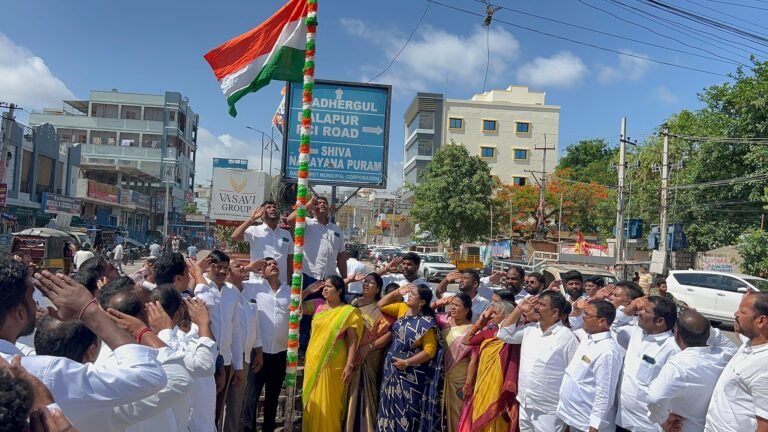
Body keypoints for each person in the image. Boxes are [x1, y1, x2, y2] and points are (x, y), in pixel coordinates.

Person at [1, 259, 167, 429]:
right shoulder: (42, 372)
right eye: (32, 300)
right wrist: (89, 311)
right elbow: (149, 375)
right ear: (20, 314)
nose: (36, 306)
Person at [497, 291, 579, 432]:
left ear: (554, 312)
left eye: (542, 305)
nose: (536, 307)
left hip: (549, 409)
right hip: (526, 403)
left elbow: (574, 375)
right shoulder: (530, 330)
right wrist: (519, 309)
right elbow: (503, 334)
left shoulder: (567, 337)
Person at [647, 309, 732, 432]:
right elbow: (724, 341)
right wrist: (702, 325)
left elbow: (654, 398)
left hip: (681, 427)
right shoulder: (725, 355)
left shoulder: (679, 364)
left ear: (676, 335)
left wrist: (662, 419)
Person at [377, 284, 444, 431]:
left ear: (422, 302)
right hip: (391, 368)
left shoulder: (427, 323)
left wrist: (407, 362)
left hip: (409, 373)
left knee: (406, 412)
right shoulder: (402, 309)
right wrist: (397, 292)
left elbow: (429, 351)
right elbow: (381, 304)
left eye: (413, 294)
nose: (409, 296)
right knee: (386, 408)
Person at [301, 275, 363, 432]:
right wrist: (307, 291)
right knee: (312, 402)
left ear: (340, 290)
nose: (325, 288)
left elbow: (353, 341)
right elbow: (292, 306)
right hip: (313, 360)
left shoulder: (348, 312)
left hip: (334, 364)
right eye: (325, 286)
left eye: (329, 286)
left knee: (330, 404)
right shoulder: (318, 305)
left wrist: (349, 365)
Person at [556, 300, 624, 432]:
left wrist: (595, 425)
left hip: (588, 424)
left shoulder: (607, 352)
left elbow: (605, 392)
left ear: (602, 321)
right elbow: (570, 325)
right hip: (575, 417)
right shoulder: (587, 336)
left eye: (587, 315)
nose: (583, 318)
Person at [458, 290, 520, 432]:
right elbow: (466, 341)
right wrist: (480, 322)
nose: (491, 315)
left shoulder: (516, 335)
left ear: (507, 315)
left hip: (500, 385)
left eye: (495, 313)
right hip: (483, 384)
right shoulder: (489, 332)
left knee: (497, 415)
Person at [705, 292, 768, 432]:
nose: (736, 313)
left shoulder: (764, 365)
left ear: (761, 321)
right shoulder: (752, 342)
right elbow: (739, 331)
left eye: (742, 311)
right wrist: (746, 302)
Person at [241, 258, 291, 432]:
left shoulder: (289, 291)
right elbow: (230, 278)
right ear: (261, 271)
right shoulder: (252, 287)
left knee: (273, 397)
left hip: (280, 352)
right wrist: (249, 268)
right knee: (251, 397)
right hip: (258, 352)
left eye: (275, 263)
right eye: (268, 264)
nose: (273, 265)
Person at [616, 296, 679, 432]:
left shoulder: (672, 349)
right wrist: (630, 307)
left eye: (645, 310)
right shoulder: (637, 331)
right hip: (622, 418)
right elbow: (615, 323)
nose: (639, 312)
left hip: (647, 425)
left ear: (660, 321)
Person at [195, 250, 243, 428]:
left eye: (226, 268)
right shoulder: (200, 288)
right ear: (209, 266)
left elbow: (236, 330)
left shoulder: (232, 292)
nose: (223, 272)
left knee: (216, 412)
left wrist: (238, 365)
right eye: (219, 267)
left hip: (226, 359)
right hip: (205, 359)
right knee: (201, 409)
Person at [346, 272, 392, 431]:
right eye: (365, 281)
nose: (366, 284)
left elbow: (389, 334)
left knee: (366, 394)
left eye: (371, 283)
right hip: (348, 356)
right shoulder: (352, 303)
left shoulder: (383, 308)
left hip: (370, 357)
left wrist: (368, 347)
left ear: (378, 288)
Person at [223, 261, 262, 432]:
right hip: (225, 357)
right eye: (238, 266)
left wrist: (259, 351)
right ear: (228, 272)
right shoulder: (222, 293)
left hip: (245, 358)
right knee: (218, 402)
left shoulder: (248, 294)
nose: (243, 268)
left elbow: (256, 326)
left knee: (236, 404)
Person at [432, 293, 474, 431]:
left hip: (458, 378)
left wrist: (468, 383)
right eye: (452, 305)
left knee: (457, 413)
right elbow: (424, 315)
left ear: (467, 310)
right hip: (439, 376)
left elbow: (474, 359)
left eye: (457, 305)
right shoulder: (443, 321)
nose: (453, 308)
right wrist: (436, 304)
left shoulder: (472, 330)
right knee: (436, 411)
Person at [231, 201, 294, 282]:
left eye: (274, 207)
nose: (273, 209)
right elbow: (235, 236)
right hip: (258, 282)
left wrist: (290, 278)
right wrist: (252, 219)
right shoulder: (254, 230)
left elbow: (290, 258)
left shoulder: (286, 234)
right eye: (268, 207)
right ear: (262, 213)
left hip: (281, 282)